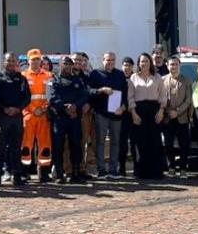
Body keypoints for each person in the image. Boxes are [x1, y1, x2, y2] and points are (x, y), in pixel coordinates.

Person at [49, 55, 90, 183]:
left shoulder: (77, 80)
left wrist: (75, 106)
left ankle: (76, 173)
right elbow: (52, 97)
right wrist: (66, 107)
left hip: (74, 117)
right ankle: (60, 174)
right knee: (58, 146)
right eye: (64, 63)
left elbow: (84, 96)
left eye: (69, 64)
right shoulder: (54, 80)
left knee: (76, 145)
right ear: (60, 65)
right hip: (60, 117)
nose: (67, 66)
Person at [128, 53, 167, 180]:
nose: (144, 64)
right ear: (139, 63)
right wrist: (133, 113)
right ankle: (141, 171)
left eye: (146, 61)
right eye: (142, 61)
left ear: (150, 63)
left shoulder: (157, 77)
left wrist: (161, 110)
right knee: (140, 142)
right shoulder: (133, 77)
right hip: (139, 111)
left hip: (154, 111)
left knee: (155, 141)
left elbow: (162, 95)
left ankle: (156, 171)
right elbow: (130, 97)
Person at [88, 51, 126, 179]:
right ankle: (101, 170)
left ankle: (113, 170)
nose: (110, 62)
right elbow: (89, 91)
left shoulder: (120, 74)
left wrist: (123, 107)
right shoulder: (95, 74)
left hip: (116, 113)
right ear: (102, 60)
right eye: (107, 60)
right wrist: (101, 90)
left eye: (112, 60)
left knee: (116, 142)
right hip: (101, 113)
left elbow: (125, 94)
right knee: (100, 142)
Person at [0, 52, 30, 186]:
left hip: (17, 117)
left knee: (16, 148)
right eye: (9, 60)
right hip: (2, 117)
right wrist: (4, 108)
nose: (11, 63)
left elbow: (27, 97)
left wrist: (18, 108)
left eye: (13, 61)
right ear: (4, 62)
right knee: (1, 148)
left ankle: (16, 175)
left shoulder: (21, 79)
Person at [21, 48, 55, 183]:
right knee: (26, 145)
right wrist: (33, 109)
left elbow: (50, 96)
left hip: (43, 115)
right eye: (33, 59)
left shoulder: (48, 76)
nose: (35, 61)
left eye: (37, 59)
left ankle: (44, 173)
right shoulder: (23, 76)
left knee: (45, 145)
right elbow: (23, 96)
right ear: (28, 61)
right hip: (29, 115)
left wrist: (43, 108)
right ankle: (24, 173)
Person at [163, 57, 193, 177]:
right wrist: (168, 111)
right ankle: (171, 167)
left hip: (182, 118)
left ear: (179, 66)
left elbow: (188, 99)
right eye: (171, 64)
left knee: (184, 145)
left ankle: (183, 168)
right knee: (168, 144)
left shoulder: (186, 80)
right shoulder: (162, 80)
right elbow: (160, 98)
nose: (173, 67)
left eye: (176, 64)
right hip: (167, 118)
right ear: (167, 66)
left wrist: (178, 111)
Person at [118, 56, 137, 176]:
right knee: (122, 143)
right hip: (122, 115)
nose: (127, 68)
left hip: (133, 113)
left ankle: (137, 167)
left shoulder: (136, 78)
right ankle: (122, 168)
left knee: (135, 142)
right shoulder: (118, 78)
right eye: (125, 65)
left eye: (129, 65)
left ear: (132, 67)